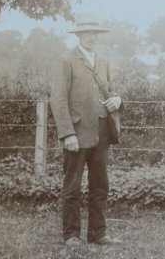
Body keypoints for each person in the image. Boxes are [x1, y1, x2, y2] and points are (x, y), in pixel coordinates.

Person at [50, 18, 123, 246]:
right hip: (77, 133)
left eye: (94, 33)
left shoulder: (103, 62)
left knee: (100, 184)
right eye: (86, 33)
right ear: (78, 36)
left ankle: (98, 233)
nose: (91, 37)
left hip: (101, 132)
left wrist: (117, 100)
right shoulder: (66, 61)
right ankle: (71, 235)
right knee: (72, 186)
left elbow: (111, 91)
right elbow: (58, 99)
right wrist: (67, 134)